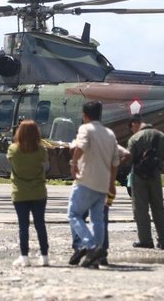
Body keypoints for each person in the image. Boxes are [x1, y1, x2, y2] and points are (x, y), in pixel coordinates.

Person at [67, 101, 120, 268]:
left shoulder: (85, 129)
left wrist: (74, 164)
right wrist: (111, 183)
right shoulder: (109, 134)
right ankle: (96, 256)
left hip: (86, 180)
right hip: (103, 183)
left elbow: (81, 146)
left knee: (74, 214)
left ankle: (90, 245)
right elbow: (115, 161)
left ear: (85, 116)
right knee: (97, 220)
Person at [69, 144, 130, 266]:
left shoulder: (86, 138)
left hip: (86, 183)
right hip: (104, 183)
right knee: (101, 220)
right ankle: (101, 253)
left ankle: (81, 246)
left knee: (76, 216)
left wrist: (75, 163)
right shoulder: (109, 142)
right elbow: (127, 154)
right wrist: (114, 166)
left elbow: (72, 148)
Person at [7, 120, 50, 267]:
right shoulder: (41, 150)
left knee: (23, 226)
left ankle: (24, 257)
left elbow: (11, 163)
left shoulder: (13, 149)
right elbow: (44, 163)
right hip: (38, 192)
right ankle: (44, 256)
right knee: (40, 224)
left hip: (20, 193)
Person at [127, 114, 164, 250]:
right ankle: (163, 240)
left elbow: (130, 158)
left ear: (134, 124)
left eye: (131, 128)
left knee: (140, 209)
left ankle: (145, 240)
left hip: (139, 176)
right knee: (158, 207)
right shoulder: (161, 136)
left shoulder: (135, 138)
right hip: (155, 175)